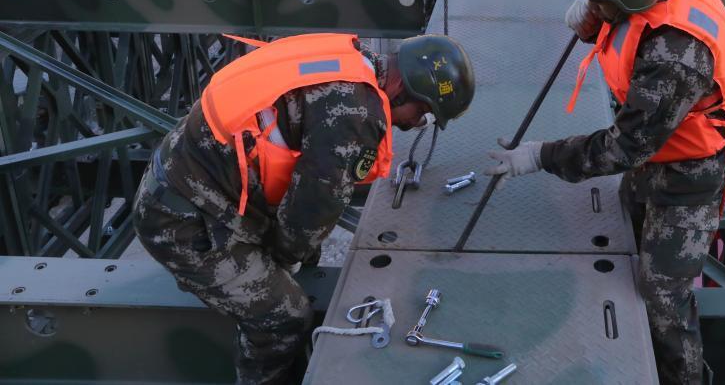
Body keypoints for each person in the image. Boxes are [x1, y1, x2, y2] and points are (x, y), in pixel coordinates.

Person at [484, 0, 725, 385]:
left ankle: (683, 378)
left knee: (662, 293)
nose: (590, 3)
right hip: (659, 148)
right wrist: (595, 14)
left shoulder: (674, 56)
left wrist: (540, 156)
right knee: (628, 217)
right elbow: (626, 20)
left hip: (694, 171)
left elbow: (624, 148)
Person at [134, 32, 475, 384]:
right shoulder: (357, 115)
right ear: (402, 86)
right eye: (422, 112)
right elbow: (311, 214)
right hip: (183, 223)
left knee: (302, 258)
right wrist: (285, 262)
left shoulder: (353, 60)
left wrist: (290, 258)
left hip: (187, 184)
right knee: (285, 318)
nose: (416, 123)